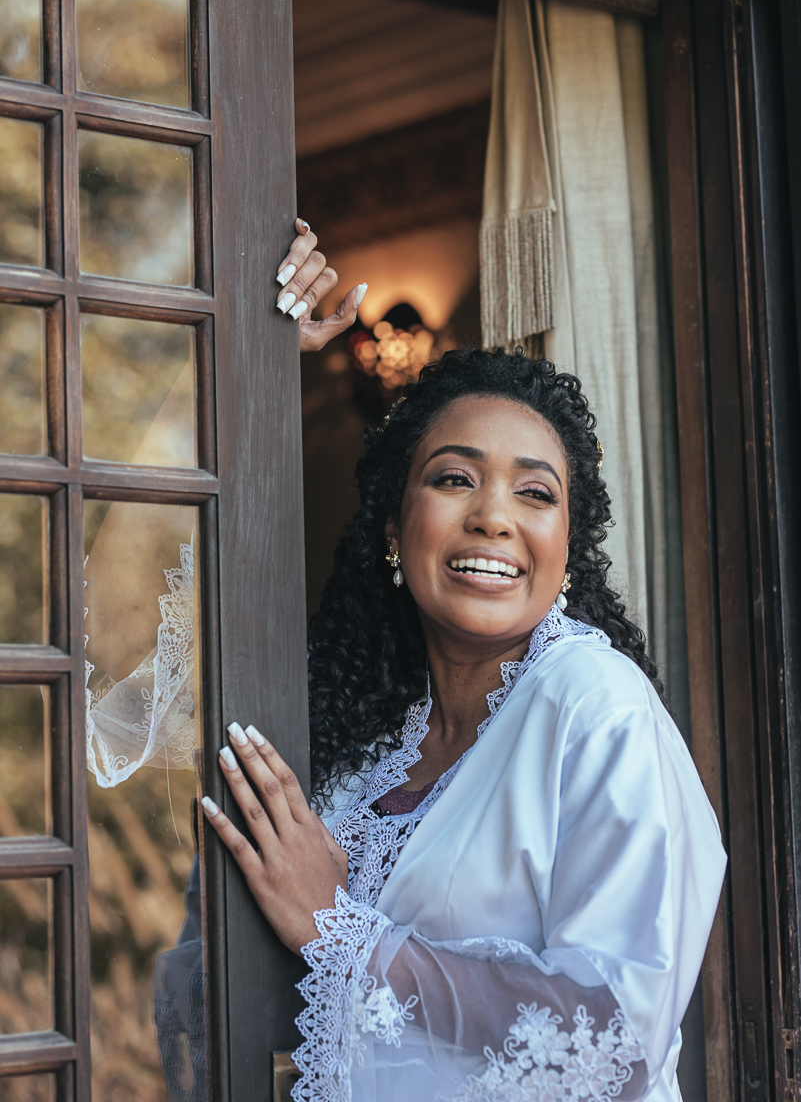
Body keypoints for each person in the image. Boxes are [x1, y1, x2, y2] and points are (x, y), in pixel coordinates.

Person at [199, 223, 726, 1102]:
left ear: (566, 548)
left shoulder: (593, 705)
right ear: (392, 527)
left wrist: (339, 928)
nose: (493, 517)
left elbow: (612, 1040)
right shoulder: (360, 736)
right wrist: (244, 357)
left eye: (535, 492)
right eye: (453, 479)